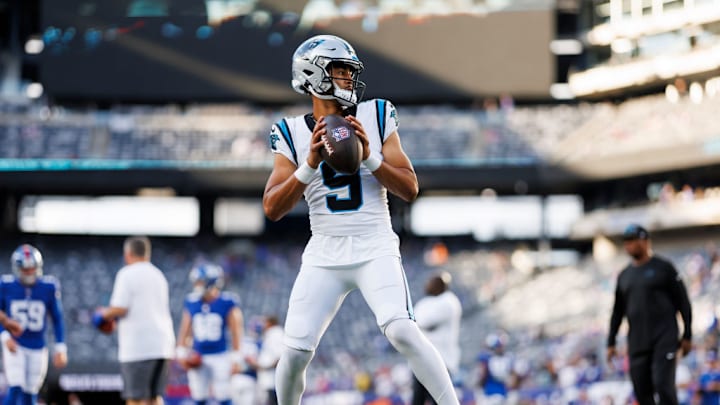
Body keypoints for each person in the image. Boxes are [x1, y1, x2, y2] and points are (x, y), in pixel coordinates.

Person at [262, 34, 459, 405]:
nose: (348, 80)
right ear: (313, 75)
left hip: (374, 243)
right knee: (294, 353)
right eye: (339, 71)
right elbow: (272, 207)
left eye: (349, 72)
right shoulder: (289, 131)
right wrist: (309, 165)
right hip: (324, 250)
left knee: (402, 330)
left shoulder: (377, 113)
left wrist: (371, 158)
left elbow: (410, 188)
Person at [607, 224, 693, 405]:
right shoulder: (624, 275)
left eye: (633, 240)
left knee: (663, 386)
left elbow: (683, 302)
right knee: (641, 391)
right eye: (626, 242)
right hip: (638, 342)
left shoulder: (664, 268)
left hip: (664, 338)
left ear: (645, 241)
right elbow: (618, 311)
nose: (629, 245)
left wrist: (687, 334)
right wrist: (611, 341)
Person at [95, 236, 176, 405]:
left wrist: (102, 314)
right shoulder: (158, 275)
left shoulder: (127, 274)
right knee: (155, 397)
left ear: (128, 254)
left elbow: (121, 307)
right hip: (163, 345)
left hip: (139, 346)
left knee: (135, 399)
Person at [0, 244, 67, 405]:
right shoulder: (6, 285)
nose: (29, 272)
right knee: (16, 388)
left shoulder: (48, 287)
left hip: (38, 345)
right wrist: (4, 336)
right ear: (17, 268)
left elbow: (57, 318)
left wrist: (60, 347)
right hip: (15, 344)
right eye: (25, 269)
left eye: (32, 268)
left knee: (30, 394)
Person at [175, 262, 244, 405]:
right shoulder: (191, 301)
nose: (196, 285)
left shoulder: (227, 301)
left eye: (199, 282)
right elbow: (185, 329)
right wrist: (181, 351)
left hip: (220, 355)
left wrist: (236, 357)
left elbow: (236, 331)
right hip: (198, 355)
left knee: (224, 395)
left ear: (211, 282)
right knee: (199, 396)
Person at [411, 272, 462, 405]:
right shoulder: (426, 302)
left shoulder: (449, 301)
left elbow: (422, 321)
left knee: (439, 401)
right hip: (422, 360)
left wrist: (417, 322)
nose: (428, 285)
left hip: (442, 360)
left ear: (441, 284)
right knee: (417, 400)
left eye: (432, 282)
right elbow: (413, 321)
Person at [244, 315, 284, 405]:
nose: (263, 324)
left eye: (265, 322)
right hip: (270, 380)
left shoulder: (275, 334)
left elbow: (280, 358)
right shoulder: (272, 334)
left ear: (270, 323)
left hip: (273, 380)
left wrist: (263, 367)